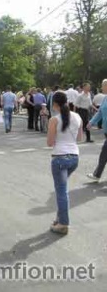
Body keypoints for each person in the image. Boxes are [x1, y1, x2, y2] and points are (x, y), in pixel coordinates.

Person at [47, 91, 82, 235]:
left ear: (55, 104)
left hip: (59, 158)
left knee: (61, 192)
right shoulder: (77, 116)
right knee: (62, 190)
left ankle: (63, 224)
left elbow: (50, 143)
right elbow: (79, 138)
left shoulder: (54, 120)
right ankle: (60, 218)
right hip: (74, 157)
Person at [87, 79, 107, 182]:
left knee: (104, 153)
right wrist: (91, 122)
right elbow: (99, 113)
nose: (101, 87)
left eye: (103, 86)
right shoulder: (105, 98)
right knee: (104, 154)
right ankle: (97, 174)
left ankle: (97, 174)